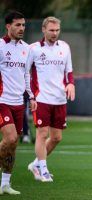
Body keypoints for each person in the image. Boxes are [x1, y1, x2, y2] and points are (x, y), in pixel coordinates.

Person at [26, 16, 75, 182]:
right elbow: (26, 73)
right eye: (51, 30)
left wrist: (71, 85)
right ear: (44, 30)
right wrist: (31, 95)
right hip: (41, 98)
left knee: (56, 138)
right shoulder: (33, 49)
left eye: (57, 30)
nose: (54, 33)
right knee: (42, 133)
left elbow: (69, 72)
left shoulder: (65, 47)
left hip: (60, 99)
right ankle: (44, 170)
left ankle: (35, 164)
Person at [0, 11, 37, 195]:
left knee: (13, 145)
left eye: (23, 25)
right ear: (8, 26)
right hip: (2, 100)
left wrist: (31, 96)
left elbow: (26, 75)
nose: (21, 28)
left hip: (18, 102)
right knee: (11, 138)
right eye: (17, 25)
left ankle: (5, 184)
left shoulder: (27, 49)